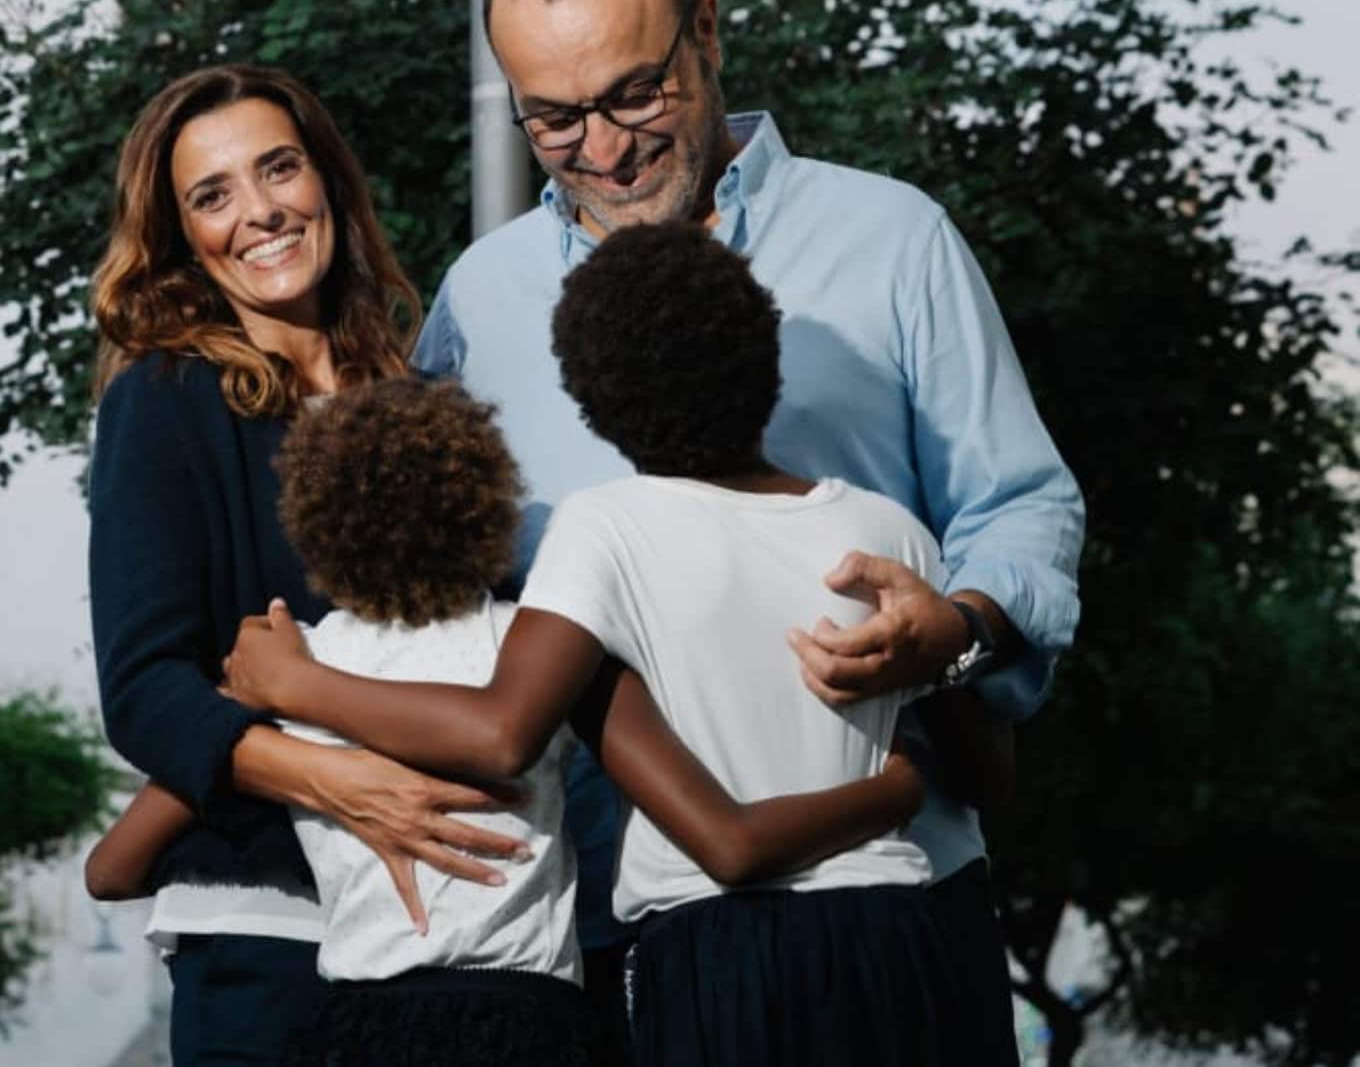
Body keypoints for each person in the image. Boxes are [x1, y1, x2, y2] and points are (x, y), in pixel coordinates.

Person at [402, 0, 1085, 1056]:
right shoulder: (478, 295)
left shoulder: (892, 239)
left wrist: (957, 632)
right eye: (553, 118)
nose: (604, 149)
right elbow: (432, 585)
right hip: (597, 925)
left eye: (634, 93)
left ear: (705, 29)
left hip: (898, 899)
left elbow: (1020, 504)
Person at [225, 224, 1017, 1064]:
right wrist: (902, 775)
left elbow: (503, 729)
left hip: (713, 956)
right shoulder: (886, 530)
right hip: (896, 936)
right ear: (766, 360)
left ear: (592, 400)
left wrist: (298, 684)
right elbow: (986, 777)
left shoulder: (603, 530)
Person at [95, 375, 931, 1067]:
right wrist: (898, 786)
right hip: (530, 1027)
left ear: (313, 527)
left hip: (358, 1031)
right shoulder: (542, 657)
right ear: (486, 508)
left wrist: (253, 723)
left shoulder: (289, 667)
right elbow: (726, 836)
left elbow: (113, 867)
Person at [88, 64, 529, 1066]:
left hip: (454, 935)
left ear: (326, 177)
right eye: (213, 195)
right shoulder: (165, 398)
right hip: (268, 937)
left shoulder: (424, 400)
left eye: (278, 168)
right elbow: (145, 691)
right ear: (181, 236)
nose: (259, 211)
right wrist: (338, 781)